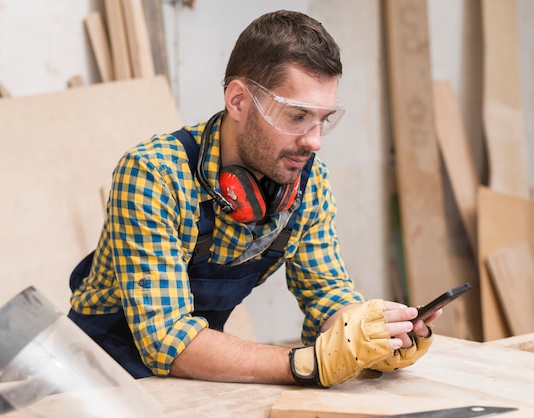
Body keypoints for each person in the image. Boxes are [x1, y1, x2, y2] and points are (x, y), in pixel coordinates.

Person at [68, 9, 439, 387]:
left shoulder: (304, 180)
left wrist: (372, 334)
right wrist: (307, 364)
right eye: (297, 117)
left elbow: (326, 293)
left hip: (186, 377)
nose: (315, 141)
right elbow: (166, 339)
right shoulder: (154, 175)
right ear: (239, 101)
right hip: (94, 374)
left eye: (323, 119)